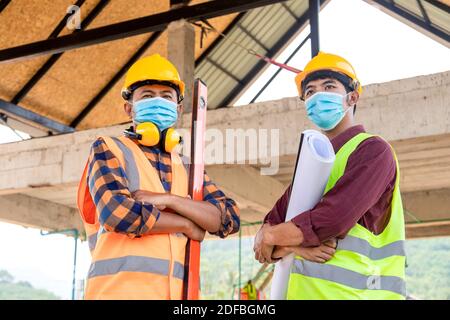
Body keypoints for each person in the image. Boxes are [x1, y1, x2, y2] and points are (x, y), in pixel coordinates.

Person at [77, 54, 240, 300]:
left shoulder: (187, 166)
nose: (157, 101)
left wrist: (171, 200)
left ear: (179, 108)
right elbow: (117, 213)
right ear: (129, 108)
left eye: (166, 96)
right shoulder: (108, 148)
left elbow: (228, 218)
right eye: (147, 95)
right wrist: (186, 222)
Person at [253, 52, 406, 300]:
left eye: (328, 86)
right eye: (310, 92)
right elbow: (264, 239)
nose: (318, 96)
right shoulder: (311, 163)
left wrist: (272, 235)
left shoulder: (373, 150)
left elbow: (333, 219)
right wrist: (289, 243)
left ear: (352, 97)